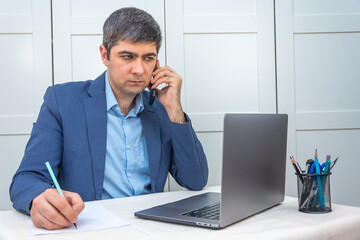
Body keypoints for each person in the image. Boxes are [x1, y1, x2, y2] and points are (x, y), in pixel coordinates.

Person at [9, 7, 208, 230]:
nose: (139, 69)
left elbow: (195, 180)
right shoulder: (63, 101)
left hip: (151, 228)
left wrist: (175, 110)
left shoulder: (161, 108)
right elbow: (25, 179)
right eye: (127, 56)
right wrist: (39, 198)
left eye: (148, 58)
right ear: (105, 55)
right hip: (88, 228)